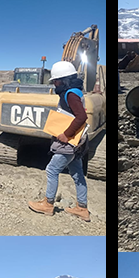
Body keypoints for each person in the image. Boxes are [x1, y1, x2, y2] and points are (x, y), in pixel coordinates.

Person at [28, 61, 90, 222]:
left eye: (56, 81)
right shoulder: (75, 91)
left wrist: (66, 134)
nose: (55, 84)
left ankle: (48, 204)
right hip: (77, 141)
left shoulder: (70, 94)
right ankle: (82, 208)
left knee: (52, 170)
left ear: (64, 80)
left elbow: (81, 117)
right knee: (77, 173)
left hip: (69, 142)